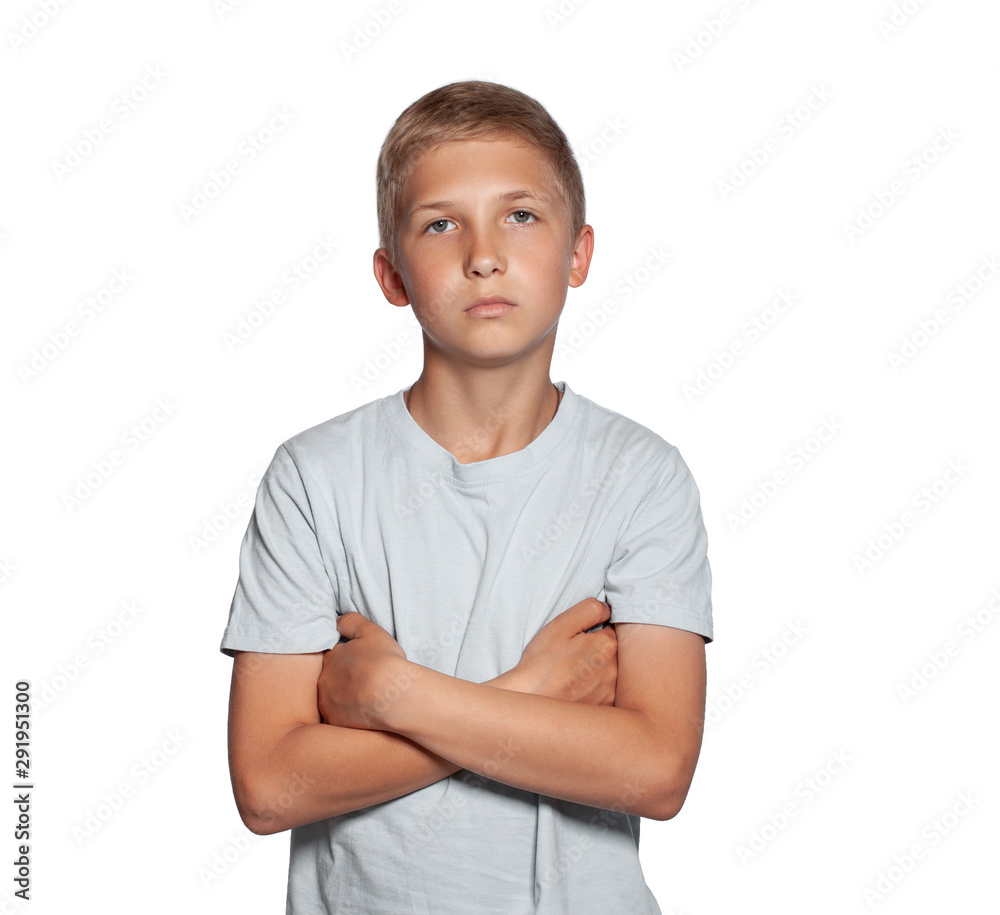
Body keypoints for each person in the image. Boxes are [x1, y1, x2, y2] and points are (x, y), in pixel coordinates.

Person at [220, 79, 713, 914]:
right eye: (441, 223)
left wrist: (390, 696)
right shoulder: (313, 477)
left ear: (579, 253)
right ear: (392, 274)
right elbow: (269, 785)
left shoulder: (643, 477)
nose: (483, 253)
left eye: (520, 215)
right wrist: (528, 695)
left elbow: (655, 771)